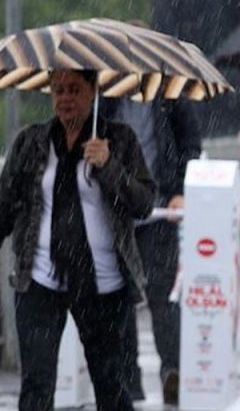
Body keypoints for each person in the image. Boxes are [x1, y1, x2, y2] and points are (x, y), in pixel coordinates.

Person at [0, 69, 156, 411]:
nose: (65, 98)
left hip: (102, 284)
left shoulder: (120, 139)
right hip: (39, 277)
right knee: (36, 385)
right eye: (57, 90)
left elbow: (144, 204)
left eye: (74, 89)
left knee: (111, 384)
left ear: (93, 91)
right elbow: (1, 213)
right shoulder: (31, 141)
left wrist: (108, 165)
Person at [105, 74, 201, 406]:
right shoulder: (107, 99)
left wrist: (179, 191)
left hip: (160, 210)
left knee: (162, 292)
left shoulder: (170, 97)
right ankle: (129, 380)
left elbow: (190, 145)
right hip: (116, 212)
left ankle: (172, 370)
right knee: (119, 296)